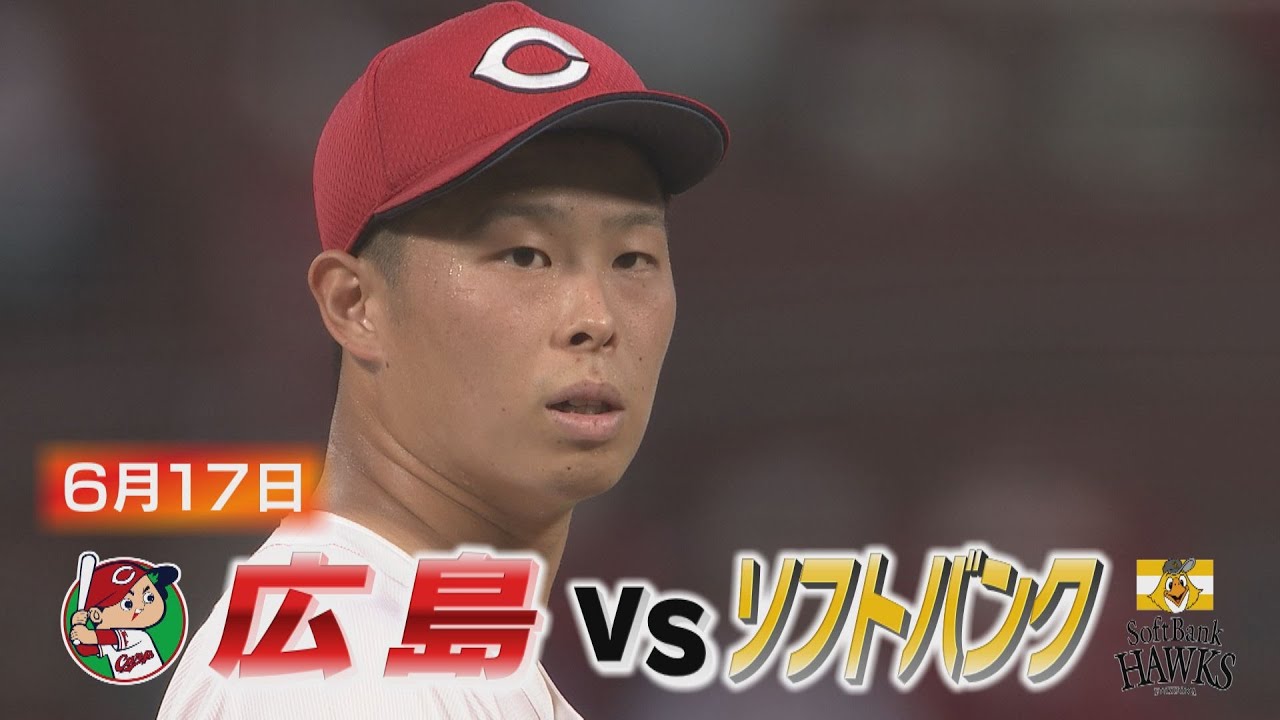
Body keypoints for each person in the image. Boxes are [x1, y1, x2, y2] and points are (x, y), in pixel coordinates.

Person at [158, 2, 727, 717]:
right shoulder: (334, 681)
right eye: (525, 254)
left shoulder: (412, 646)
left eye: (632, 258)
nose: (597, 319)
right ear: (355, 305)